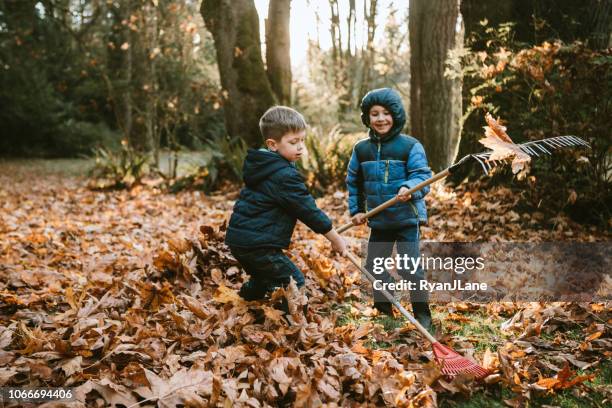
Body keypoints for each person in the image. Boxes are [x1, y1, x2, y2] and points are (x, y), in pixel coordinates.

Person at [225, 106, 347, 310]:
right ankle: (288, 325)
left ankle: (243, 303)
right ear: (272, 144)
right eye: (293, 142)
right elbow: (308, 210)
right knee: (294, 283)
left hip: (240, 241)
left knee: (262, 278)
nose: (300, 147)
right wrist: (335, 239)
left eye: (302, 140)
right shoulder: (283, 176)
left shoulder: (263, 166)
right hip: (259, 245)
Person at [346, 88, 433, 331]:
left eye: (386, 113)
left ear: (396, 115)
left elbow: (422, 177)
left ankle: (423, 315)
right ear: (367, 117)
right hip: (379, 220)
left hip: (406, 219)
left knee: (409, 267)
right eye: (374, 114)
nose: (381, 118)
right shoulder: (361, 149)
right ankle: (384, 311)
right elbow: (354, 182)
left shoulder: (410, 146)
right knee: (374, 267)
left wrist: (409, 188)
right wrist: (356, 210)